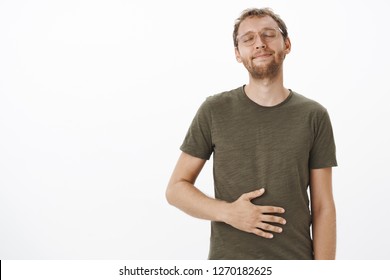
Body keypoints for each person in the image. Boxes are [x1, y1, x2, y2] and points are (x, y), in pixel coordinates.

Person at [166, 7, 337, 260]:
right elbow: (176, 189)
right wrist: (228, 212)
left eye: (269, 34)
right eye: (248, 39)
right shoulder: (214, 110)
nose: (259, 43)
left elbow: (323, 207)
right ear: (238, 53)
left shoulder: (314, 115)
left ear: (286, 44)